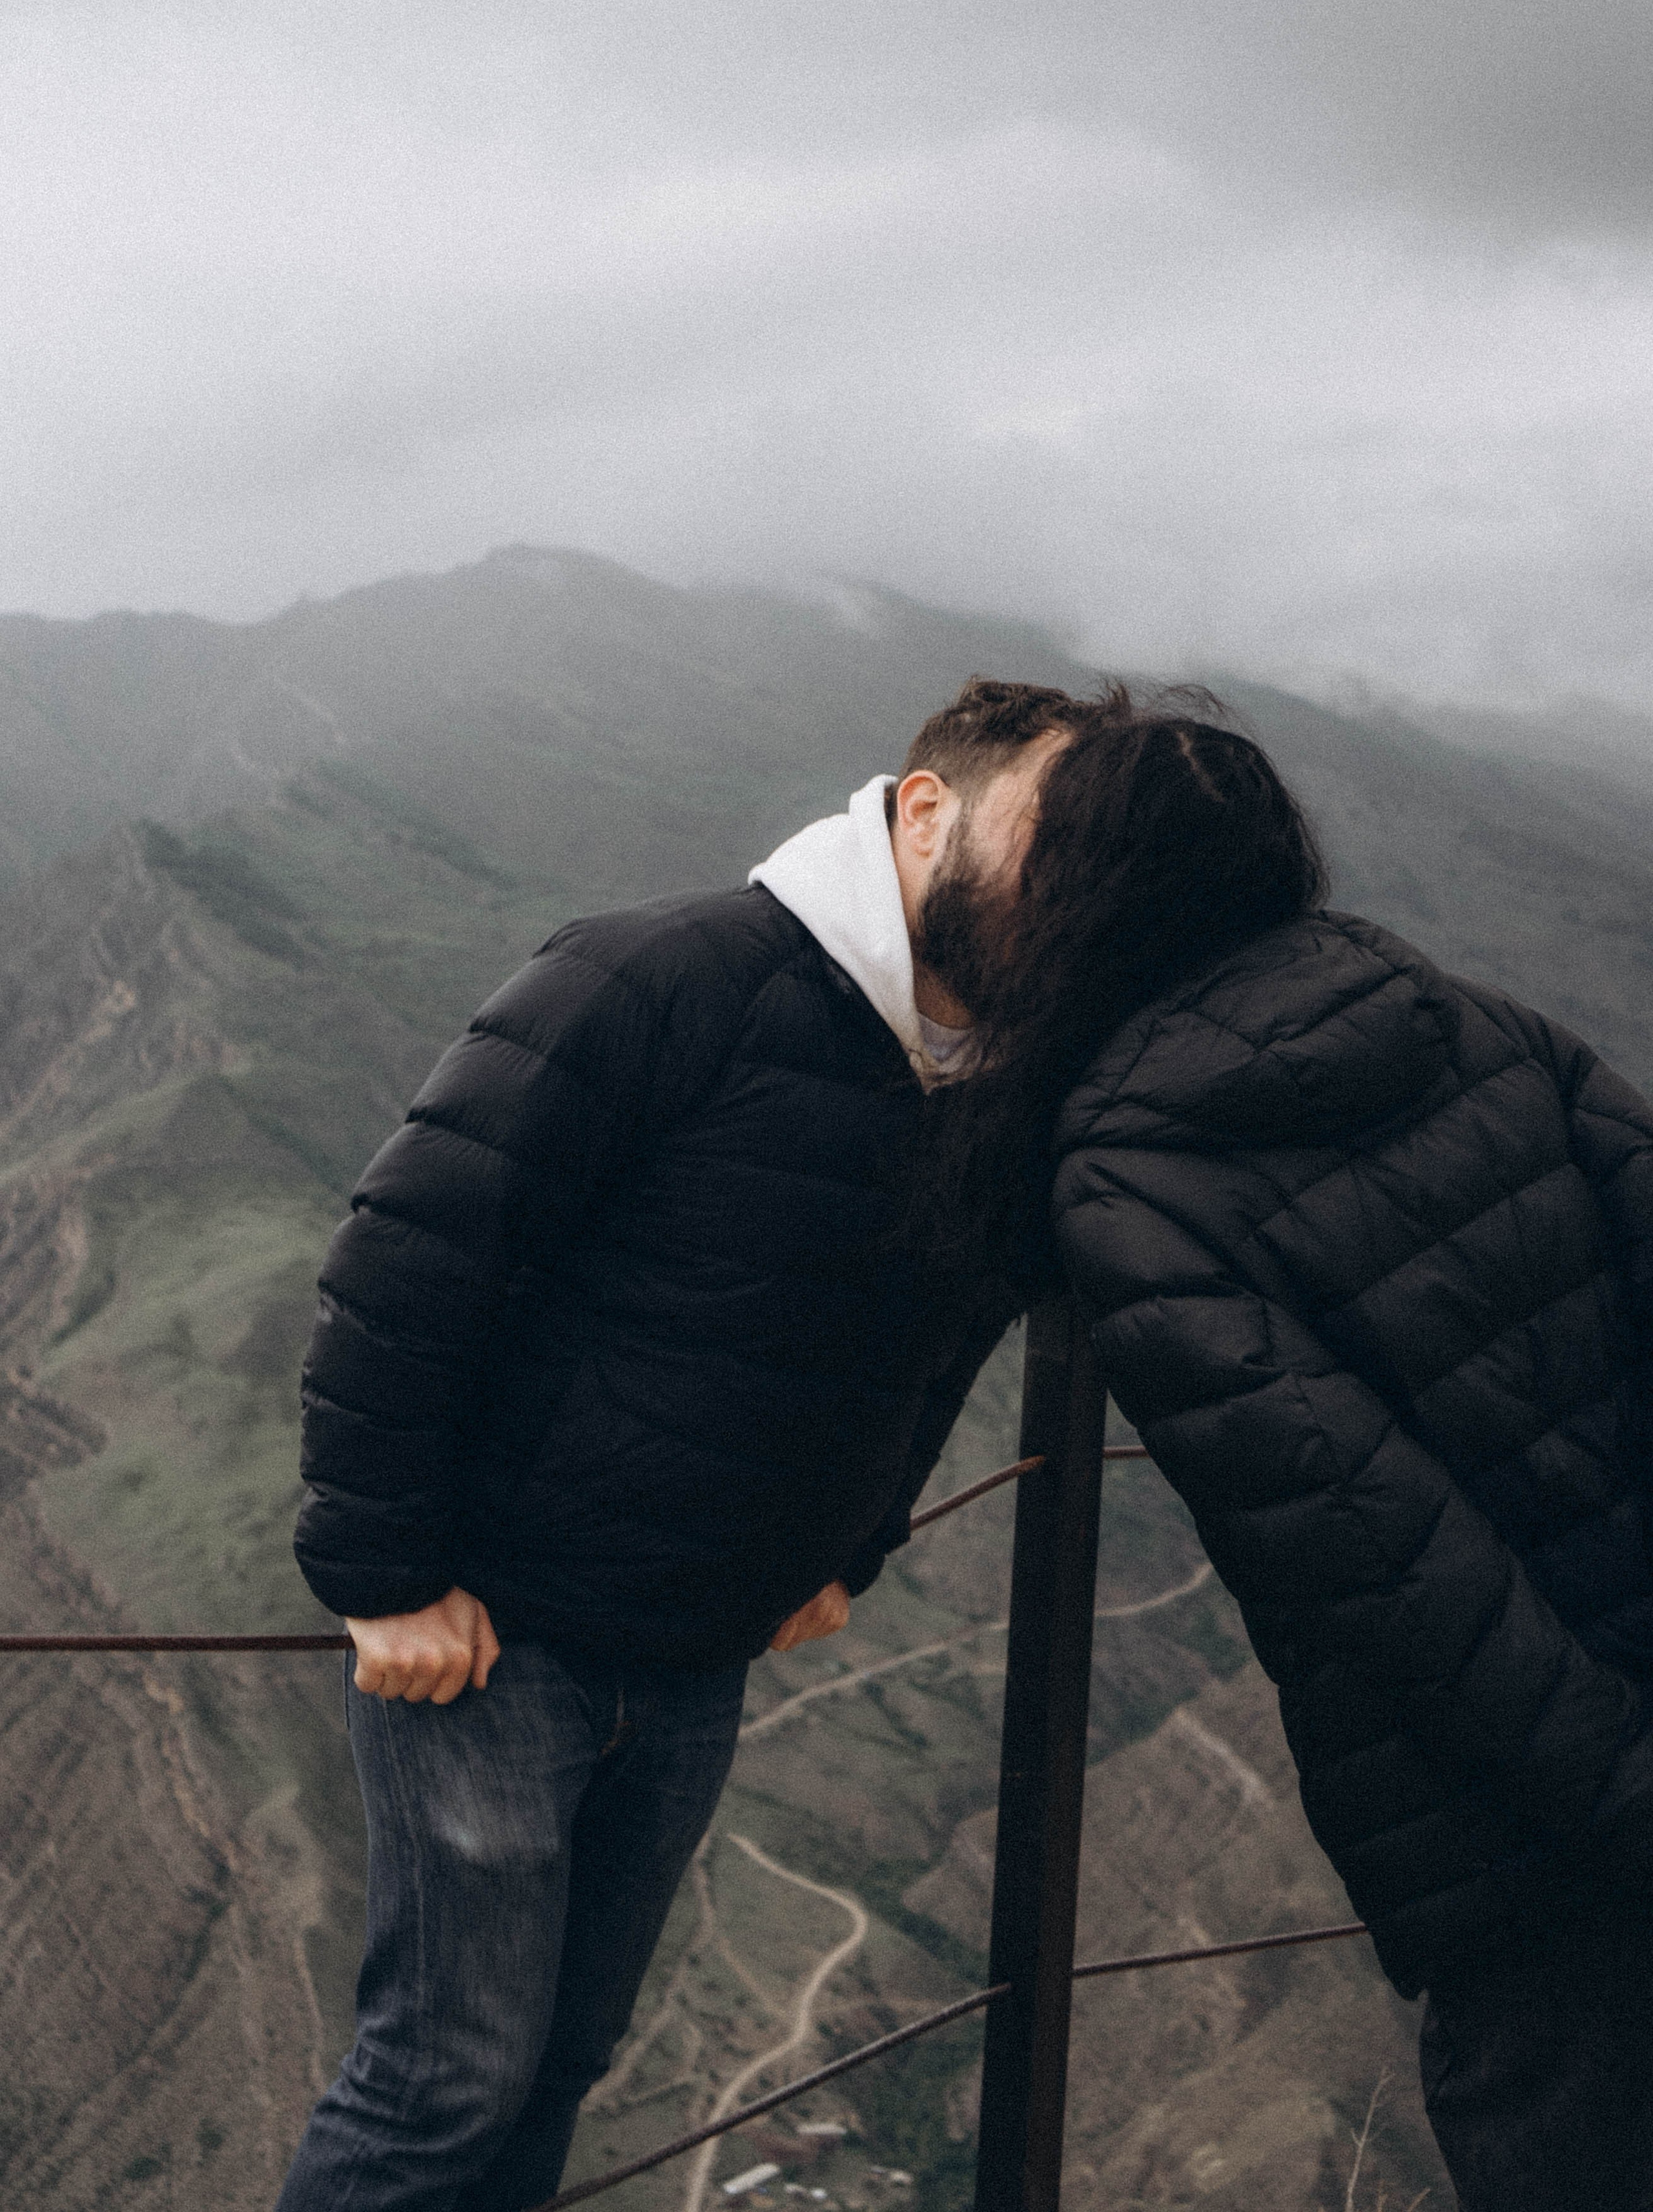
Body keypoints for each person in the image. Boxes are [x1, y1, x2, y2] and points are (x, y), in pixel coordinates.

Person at [274, 677, 1093, 2212]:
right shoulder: (663, 973)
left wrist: (850, 1546)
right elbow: (410, 1252)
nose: (1067, 893)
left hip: (696, 1659)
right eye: (1045, 839)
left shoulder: (985, 1078)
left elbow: (946, 1334)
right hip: (494, 1643)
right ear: (924, 813)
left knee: (560, 2068)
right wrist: (381, 1575)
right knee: (438, 2082)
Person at [961, 688, 1653, 2212]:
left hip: (1523, 1836)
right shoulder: (1472, 1017)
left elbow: (1374, 1553)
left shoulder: (1127, 1175)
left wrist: (1619, 1799)